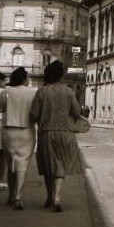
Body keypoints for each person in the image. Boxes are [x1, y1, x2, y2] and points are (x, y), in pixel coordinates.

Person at [30, 60, 84, 212]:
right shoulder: (68, 91)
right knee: (60, 164)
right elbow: (77, 112)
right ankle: (57, 198)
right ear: (61, 75)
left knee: (48, 164)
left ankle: (49, 196)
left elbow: (34, 114)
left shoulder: (42, 91)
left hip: (46, 133)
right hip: (65, 133)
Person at [0, 67, 38, 209]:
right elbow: (36, 112)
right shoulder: (33, 92)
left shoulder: (5, 92)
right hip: (26, 131)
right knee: (22, 165)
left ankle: (11, 196)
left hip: (9, 131)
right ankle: (18, 196)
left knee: (11, 163)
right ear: (24, 79)